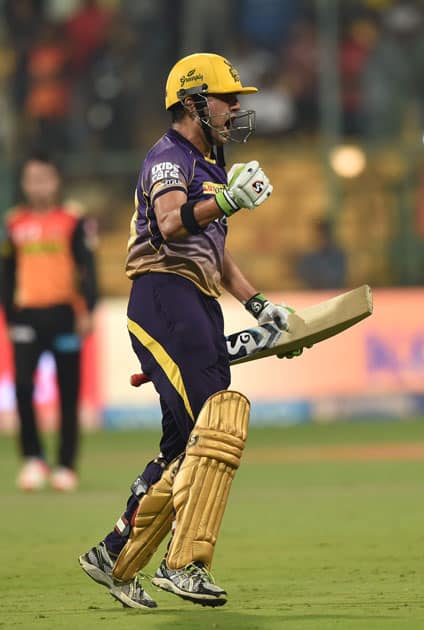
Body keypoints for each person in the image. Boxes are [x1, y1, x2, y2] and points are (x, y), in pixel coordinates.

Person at [78, 52, 293, 610]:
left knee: (183, 446)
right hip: (163, 294)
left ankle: (113, 555)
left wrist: (259, 304)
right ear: (194, 101)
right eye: (227, 98)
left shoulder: (209, 163)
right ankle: (185, 563)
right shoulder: (169, 158)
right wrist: (223, 199)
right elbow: (172, 224)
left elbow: (215, 256)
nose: (236, 108)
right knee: (217, 426)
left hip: (191, 300)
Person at [0, 151, 98, 492]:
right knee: (24, 389)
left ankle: (65, 466)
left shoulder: (72, 220)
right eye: (32, 180)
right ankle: (33, 459)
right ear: (25, 184)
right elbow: (7, 273)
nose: (38, 186)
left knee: (69, 394)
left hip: (64, 315)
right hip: (27, 316)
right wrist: (10, 316)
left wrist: (89, 309)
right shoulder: (14, 223)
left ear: (55, 181)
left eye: (45, 178)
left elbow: (88, 268)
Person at [296, 218, 347, 290]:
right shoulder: (307, 256)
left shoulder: (337, 255)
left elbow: (337, 278)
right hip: (311, 295)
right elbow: (301, 277)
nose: (315, 237)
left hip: (332, 293)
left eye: (319, 235)